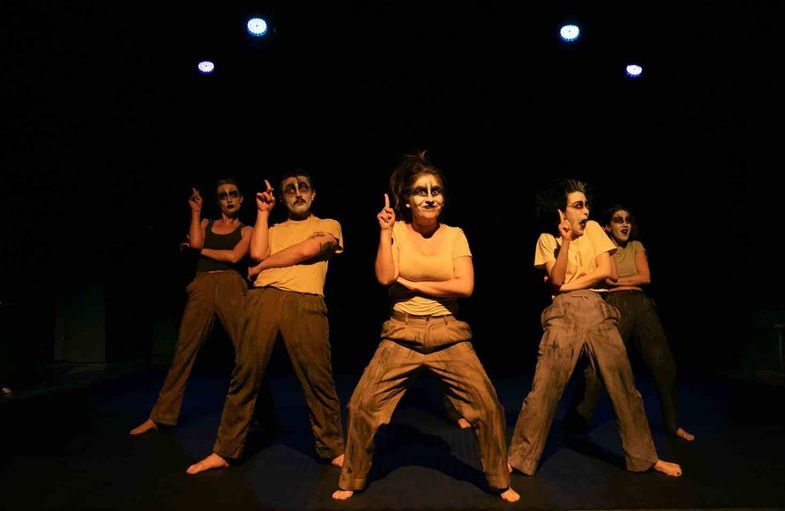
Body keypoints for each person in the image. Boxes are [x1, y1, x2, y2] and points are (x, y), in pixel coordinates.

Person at [332, 152, 519, 502]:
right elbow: (385, 277)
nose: (430, 197)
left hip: (448, 332)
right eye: (421, 191)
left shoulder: (455, 235)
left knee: (488, 406)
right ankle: (352, 478)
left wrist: (413, 284)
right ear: (406, 199)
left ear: (443, 199)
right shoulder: (396, 231)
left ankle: (499, 480)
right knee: (361, 406)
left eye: (436, 191)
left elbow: (465, 286)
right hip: (402, 332)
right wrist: (384, 232)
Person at [508, 179, 682, 477]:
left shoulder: (594, 232)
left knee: (624, 387)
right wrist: (565, 243)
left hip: (597, 306)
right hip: (563, 313)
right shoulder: (547, 239)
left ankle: (645, 457)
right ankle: (519, 458)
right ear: (562, 211)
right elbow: (557, 277)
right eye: (578, 206)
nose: (586, 211)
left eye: (586, 205)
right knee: (544, 388)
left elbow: (606, 271)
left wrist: (568, 285)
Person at [187, 171, 346, 473]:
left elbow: (306, 250)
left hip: (305, 300)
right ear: (283, 198)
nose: (297, 193)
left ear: (313, 194)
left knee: (318, 377)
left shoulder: (328, 225)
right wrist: (262, 213)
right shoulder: (271, 228)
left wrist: (261, 267)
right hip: (263, 299)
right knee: (245, 374)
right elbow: (257, 251)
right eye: (290, 189)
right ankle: (225, 450)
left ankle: (334, 448)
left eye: (303, 188)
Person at [130, 178, 253, 435]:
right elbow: (196, 243)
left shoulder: (248, 230)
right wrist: (196, 211)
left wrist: (201, 251)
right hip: (203, 285)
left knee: (248, 353)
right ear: (218, 201)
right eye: (223, 196)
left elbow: (233, 257)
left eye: (233, 194)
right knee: (184, 351)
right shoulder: (206, 223)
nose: (228, 199)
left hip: (232, 285)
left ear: (241, 199)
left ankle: (261, 416)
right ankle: (161, 415)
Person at [567, 205, 694, 441]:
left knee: (664, 365)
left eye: (628, 220)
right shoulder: (602, 247)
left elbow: (645, 277)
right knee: (597, 368)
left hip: (641, 304)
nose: (625, 224)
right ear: (607, 227)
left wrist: (618, 282)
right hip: (614, 304)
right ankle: (575, 427)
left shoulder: (636, 246)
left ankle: (673, 425)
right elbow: (609, 278)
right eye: (618, 220)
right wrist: (621, 280)